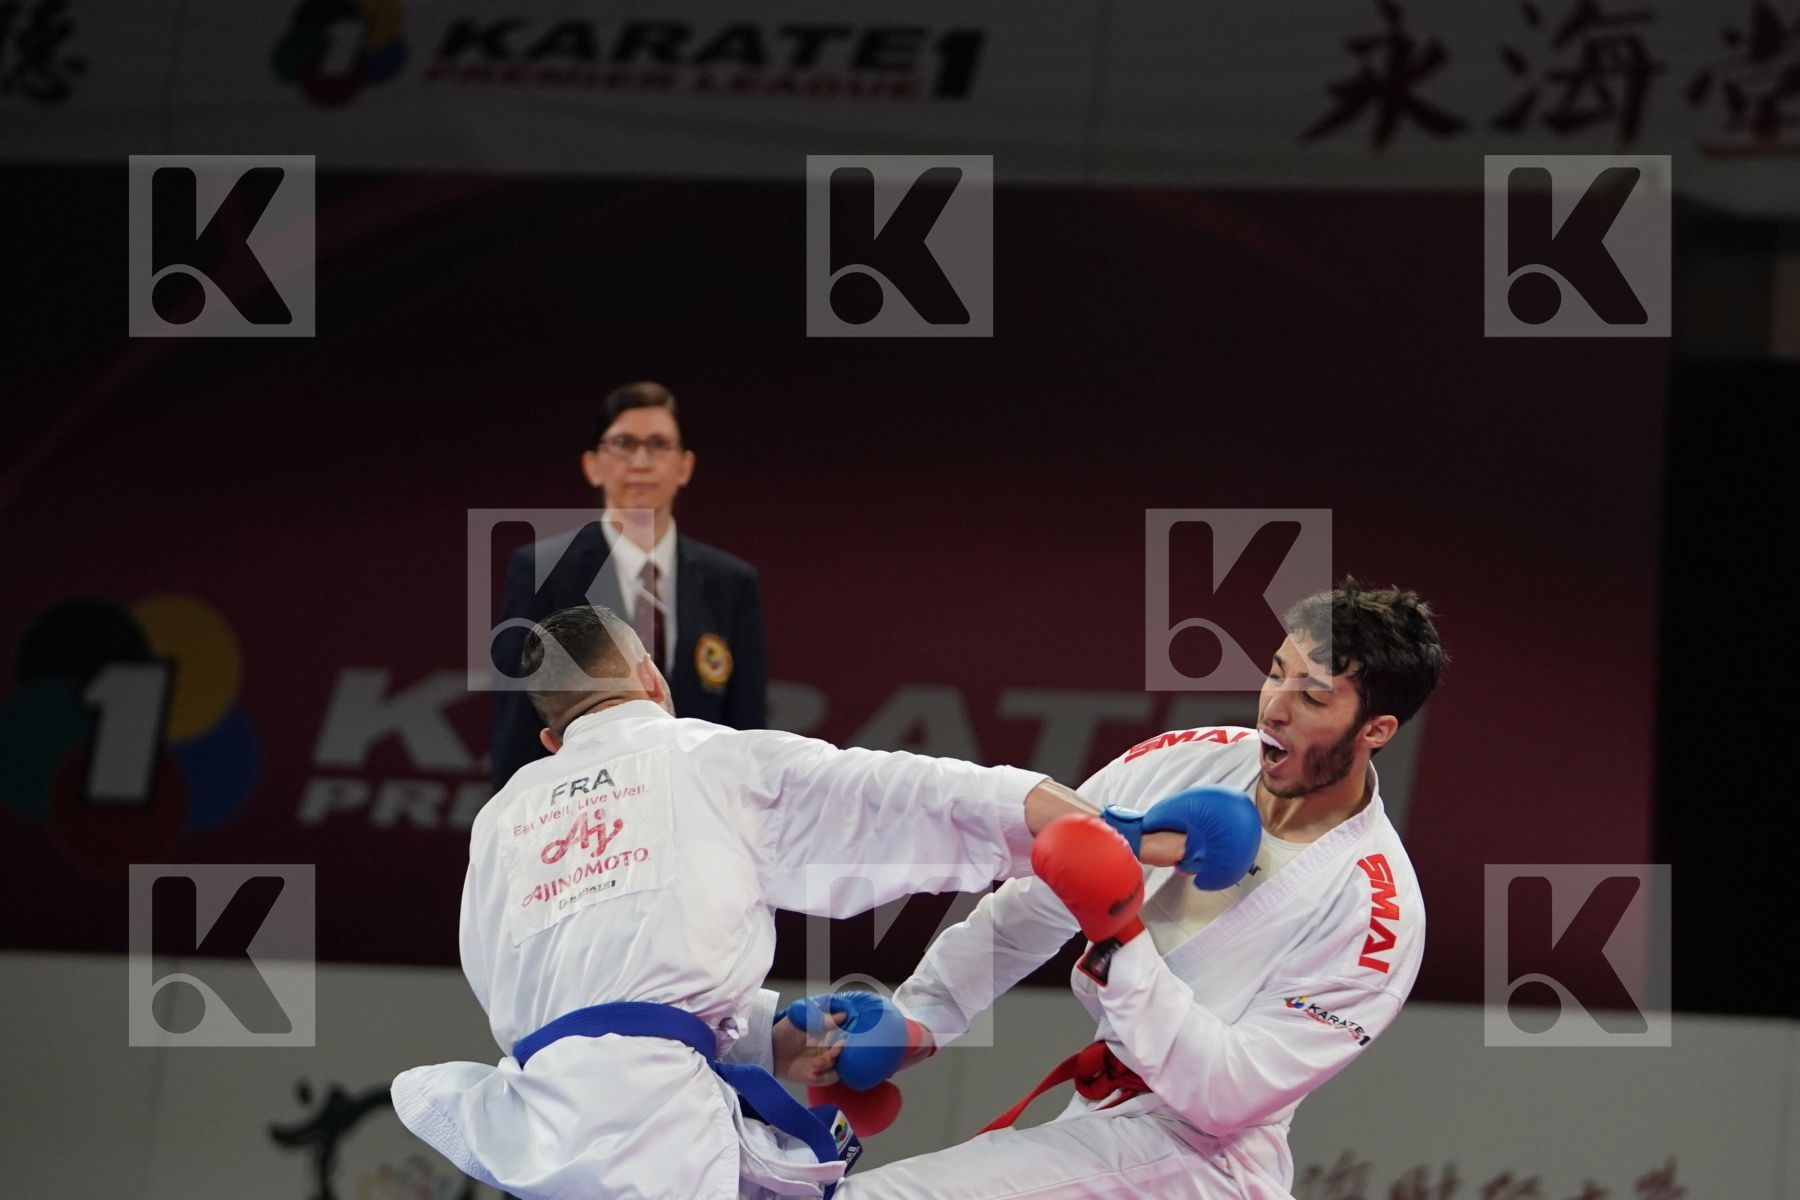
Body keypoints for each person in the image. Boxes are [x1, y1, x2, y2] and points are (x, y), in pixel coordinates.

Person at [393, 604, 1208, 1200]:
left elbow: (583, 998)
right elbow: (910, 795)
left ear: (550, 740)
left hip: (538, 1138)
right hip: (656, 1144)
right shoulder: (710, 758)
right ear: (653, 680)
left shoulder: (502, 819)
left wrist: (765, 1032)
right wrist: (1110, 831)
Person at [827, 579, 1448, 1199]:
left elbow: (1227, 1094)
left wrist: (1118, 932)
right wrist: (925, 1014)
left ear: (1376, 730)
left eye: (1312, 697)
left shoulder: (1377, 912)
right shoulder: (1193, 759)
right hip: (1101, 1123)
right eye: (1275, 673)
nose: (1274, 709)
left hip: (1202, 1162)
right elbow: (1038, 900)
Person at [490, 381, 767, 795]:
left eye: (659, 444)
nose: (640, 460)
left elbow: (745, 727)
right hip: (585, 815)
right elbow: (518, 724)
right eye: (622, 443)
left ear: (685, 466)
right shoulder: (541, 570)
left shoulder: (731, 582)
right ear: (592, 464)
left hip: (698, 809)